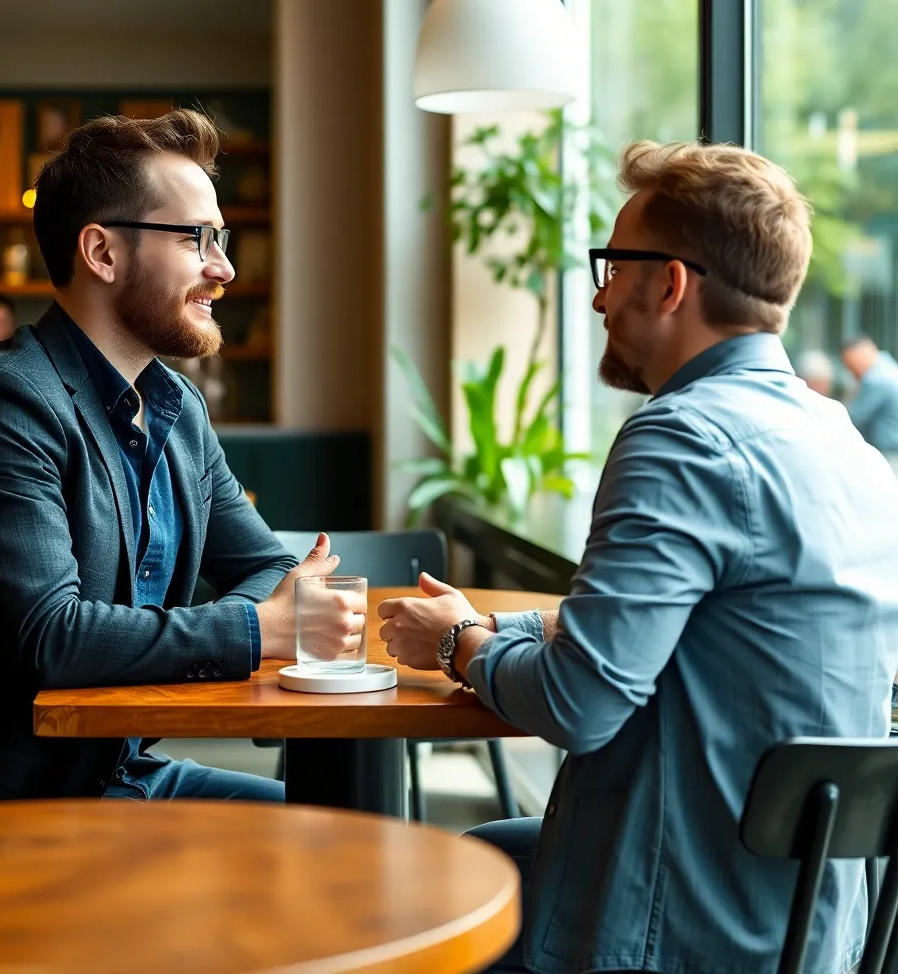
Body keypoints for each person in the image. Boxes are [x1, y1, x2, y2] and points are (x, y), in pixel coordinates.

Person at [377, 141, 898, 974]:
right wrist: (495, 622)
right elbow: (693, 630)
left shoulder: (684, 439)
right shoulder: (847, 444)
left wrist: (457, 646)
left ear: (671, 282)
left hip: (683, 930)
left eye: (613, 266)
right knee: (491, 849)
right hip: (816, 929)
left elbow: (579, 703)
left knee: (437, 889)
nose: (596, 296)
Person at [0, 109, 363, 809]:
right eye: (197, 238)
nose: (222, 268)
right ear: (102, 253)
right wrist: (262, 628)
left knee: (340, 843)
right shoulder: (0, 402)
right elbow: (53, 637)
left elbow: (265, 567)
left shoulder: (178, 409)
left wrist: (274, 616)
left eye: (219, 239)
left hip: (118, 780)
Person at [841, 334, 898, 455]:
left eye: (851, 365)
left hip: (890, 454)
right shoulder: (889, 368)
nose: (852, 373)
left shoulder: (876, 378)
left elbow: (851, 418)